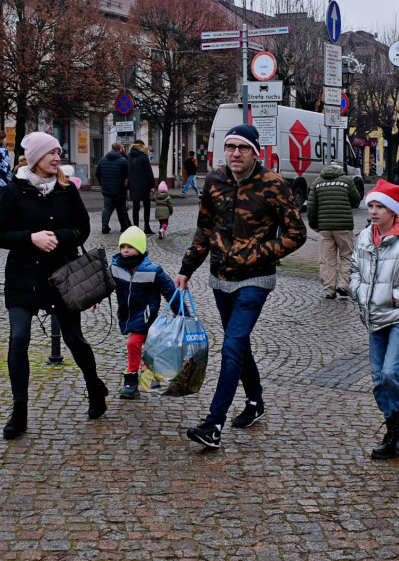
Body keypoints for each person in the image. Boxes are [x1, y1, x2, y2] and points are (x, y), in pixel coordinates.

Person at [173, 124, 307, 449]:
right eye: (231, 147)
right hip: (221, 278)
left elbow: (296, 233)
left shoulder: (274, 185)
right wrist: (185, 269)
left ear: (254, 152)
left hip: (255, 280)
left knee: (231, 345)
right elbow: (204, 229)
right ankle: (256, 401)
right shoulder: (214, 180)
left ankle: (213, 424)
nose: (235, 153)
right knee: (240, 344)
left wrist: (259, 253)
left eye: (243, 148)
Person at [0, 131, 108, 440]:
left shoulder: (66, 189)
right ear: (34, 158)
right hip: (22, 278)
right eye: (50, 154)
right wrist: (31, 238)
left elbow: (82, 228)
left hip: (61, 277)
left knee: (74, 340)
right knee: (18, 339)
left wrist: (58, 238)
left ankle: (95, 387)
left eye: (58, 152)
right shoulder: (14, 191)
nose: (57, 158)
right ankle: (19, 411)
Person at [349, 179, 399, 459]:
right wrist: (359, 292)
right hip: (373, 316)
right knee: (376, 379)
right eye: (370, 205)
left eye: (379, 206)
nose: (373, 211)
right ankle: (396, 427)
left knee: (390, 373)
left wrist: (391, 297)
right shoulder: (363, 236)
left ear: (393, 210)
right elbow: (354, 271)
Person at [94, 226, 178, 399]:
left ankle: (131, 380)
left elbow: (170, 291)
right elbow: (106, 286)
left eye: (130, 247)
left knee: (133, 343)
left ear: (139, 248)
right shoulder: (115, 268)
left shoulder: (153, 270)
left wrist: (182, 314)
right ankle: (155, 373)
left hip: (147, 313)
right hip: (127, 313)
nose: (125, 250)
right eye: (123, 246)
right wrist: (97, 299)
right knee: (150, 345)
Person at [306, 163, 361, 299]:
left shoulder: (317, 182)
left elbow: (311, 207)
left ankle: (329, 290)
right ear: (341, 169)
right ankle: (343, 285)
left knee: (327, 259)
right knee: (347, 255)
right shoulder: (347, 181)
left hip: (324, 227)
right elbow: (357, 199)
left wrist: (314, 225)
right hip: (344, 225)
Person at [95, 142, 131, 234]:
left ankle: (104, 226)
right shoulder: (123, 161)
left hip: (106, 189)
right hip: (120, 189)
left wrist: (102, 184)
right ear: (120, 150)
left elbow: (97, 174)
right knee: (121, 208)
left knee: (107, 207)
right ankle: (123, 226)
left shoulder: (103, 160)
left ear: (111, 149)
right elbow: (127, 174)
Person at [127, 140, 155, 234]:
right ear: (142, 146)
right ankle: (147, 227)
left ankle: (136, 228)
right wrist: (152, 185)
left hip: (133, 185)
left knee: (135, 207)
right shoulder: (143, 157)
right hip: (144, 185)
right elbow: (149, 172)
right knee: (147, 206)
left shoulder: (129, 156)